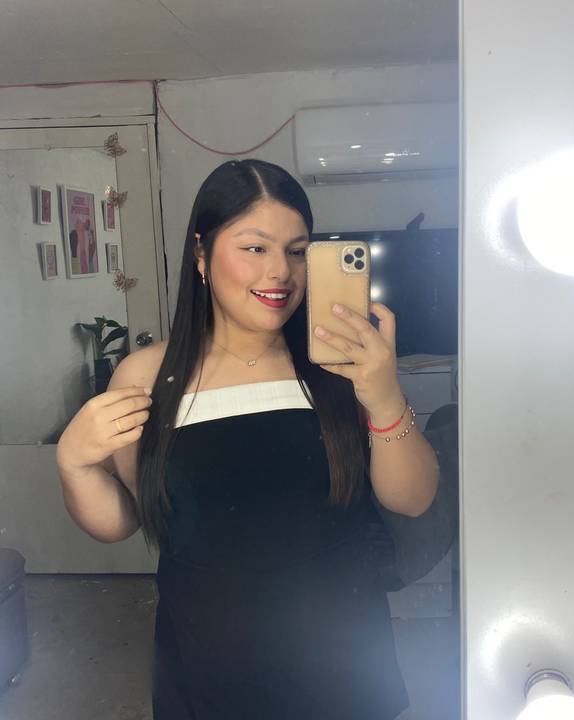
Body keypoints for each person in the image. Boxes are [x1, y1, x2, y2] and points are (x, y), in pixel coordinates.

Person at [56, 159, 440, 719]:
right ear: (201, 253)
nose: (280, 272)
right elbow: (125, 519)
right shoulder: (147, 377)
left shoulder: (343, 365)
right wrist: (74, 464)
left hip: (345, 663)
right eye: (255, 248)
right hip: (206, 666)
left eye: (297, 250)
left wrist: (384, 397)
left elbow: (414, 498)